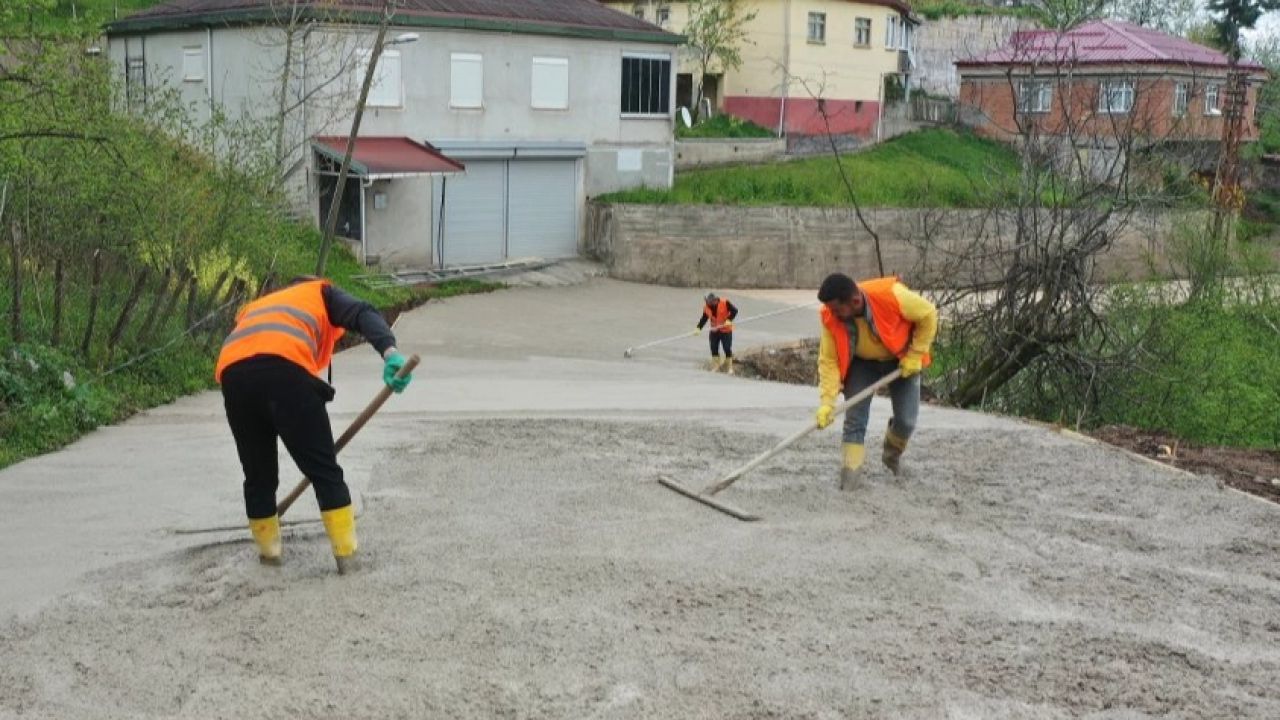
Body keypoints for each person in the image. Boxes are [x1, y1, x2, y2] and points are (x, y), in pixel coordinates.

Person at [215, 276, 413, 573]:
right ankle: (348, 560)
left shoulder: (260, 305)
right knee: (324, 471)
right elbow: (364, 312)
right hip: (285, 370)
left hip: (234, 376)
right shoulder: (320, 291)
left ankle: (269, 559)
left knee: (258, 477)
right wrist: (391, 353)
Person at [814, 273, 937, 489]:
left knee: (906, 422)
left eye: (837, 309)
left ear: (854, 302)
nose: (833, 314)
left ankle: (891, 455)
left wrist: (916, 354)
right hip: (862, 364)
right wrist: (827, 402)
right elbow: (829, 361)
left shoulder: (893, 295)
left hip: (902, 359)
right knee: (855, 420)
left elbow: (928, 314)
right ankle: (850, 478)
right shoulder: (830, 316)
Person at [695, 292, 739, 374]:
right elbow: (704, 318)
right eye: (706, 301)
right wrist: (698, 328)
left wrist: (729, 320)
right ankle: (716, 366)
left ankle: (729, 367)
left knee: (727, 348)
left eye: (708, 301)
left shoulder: (725, 302)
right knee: (714, 348)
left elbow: (735, 311)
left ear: (714, 300)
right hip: (714, 331)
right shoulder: (707, 307)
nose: (707, 303)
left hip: (725, 330)